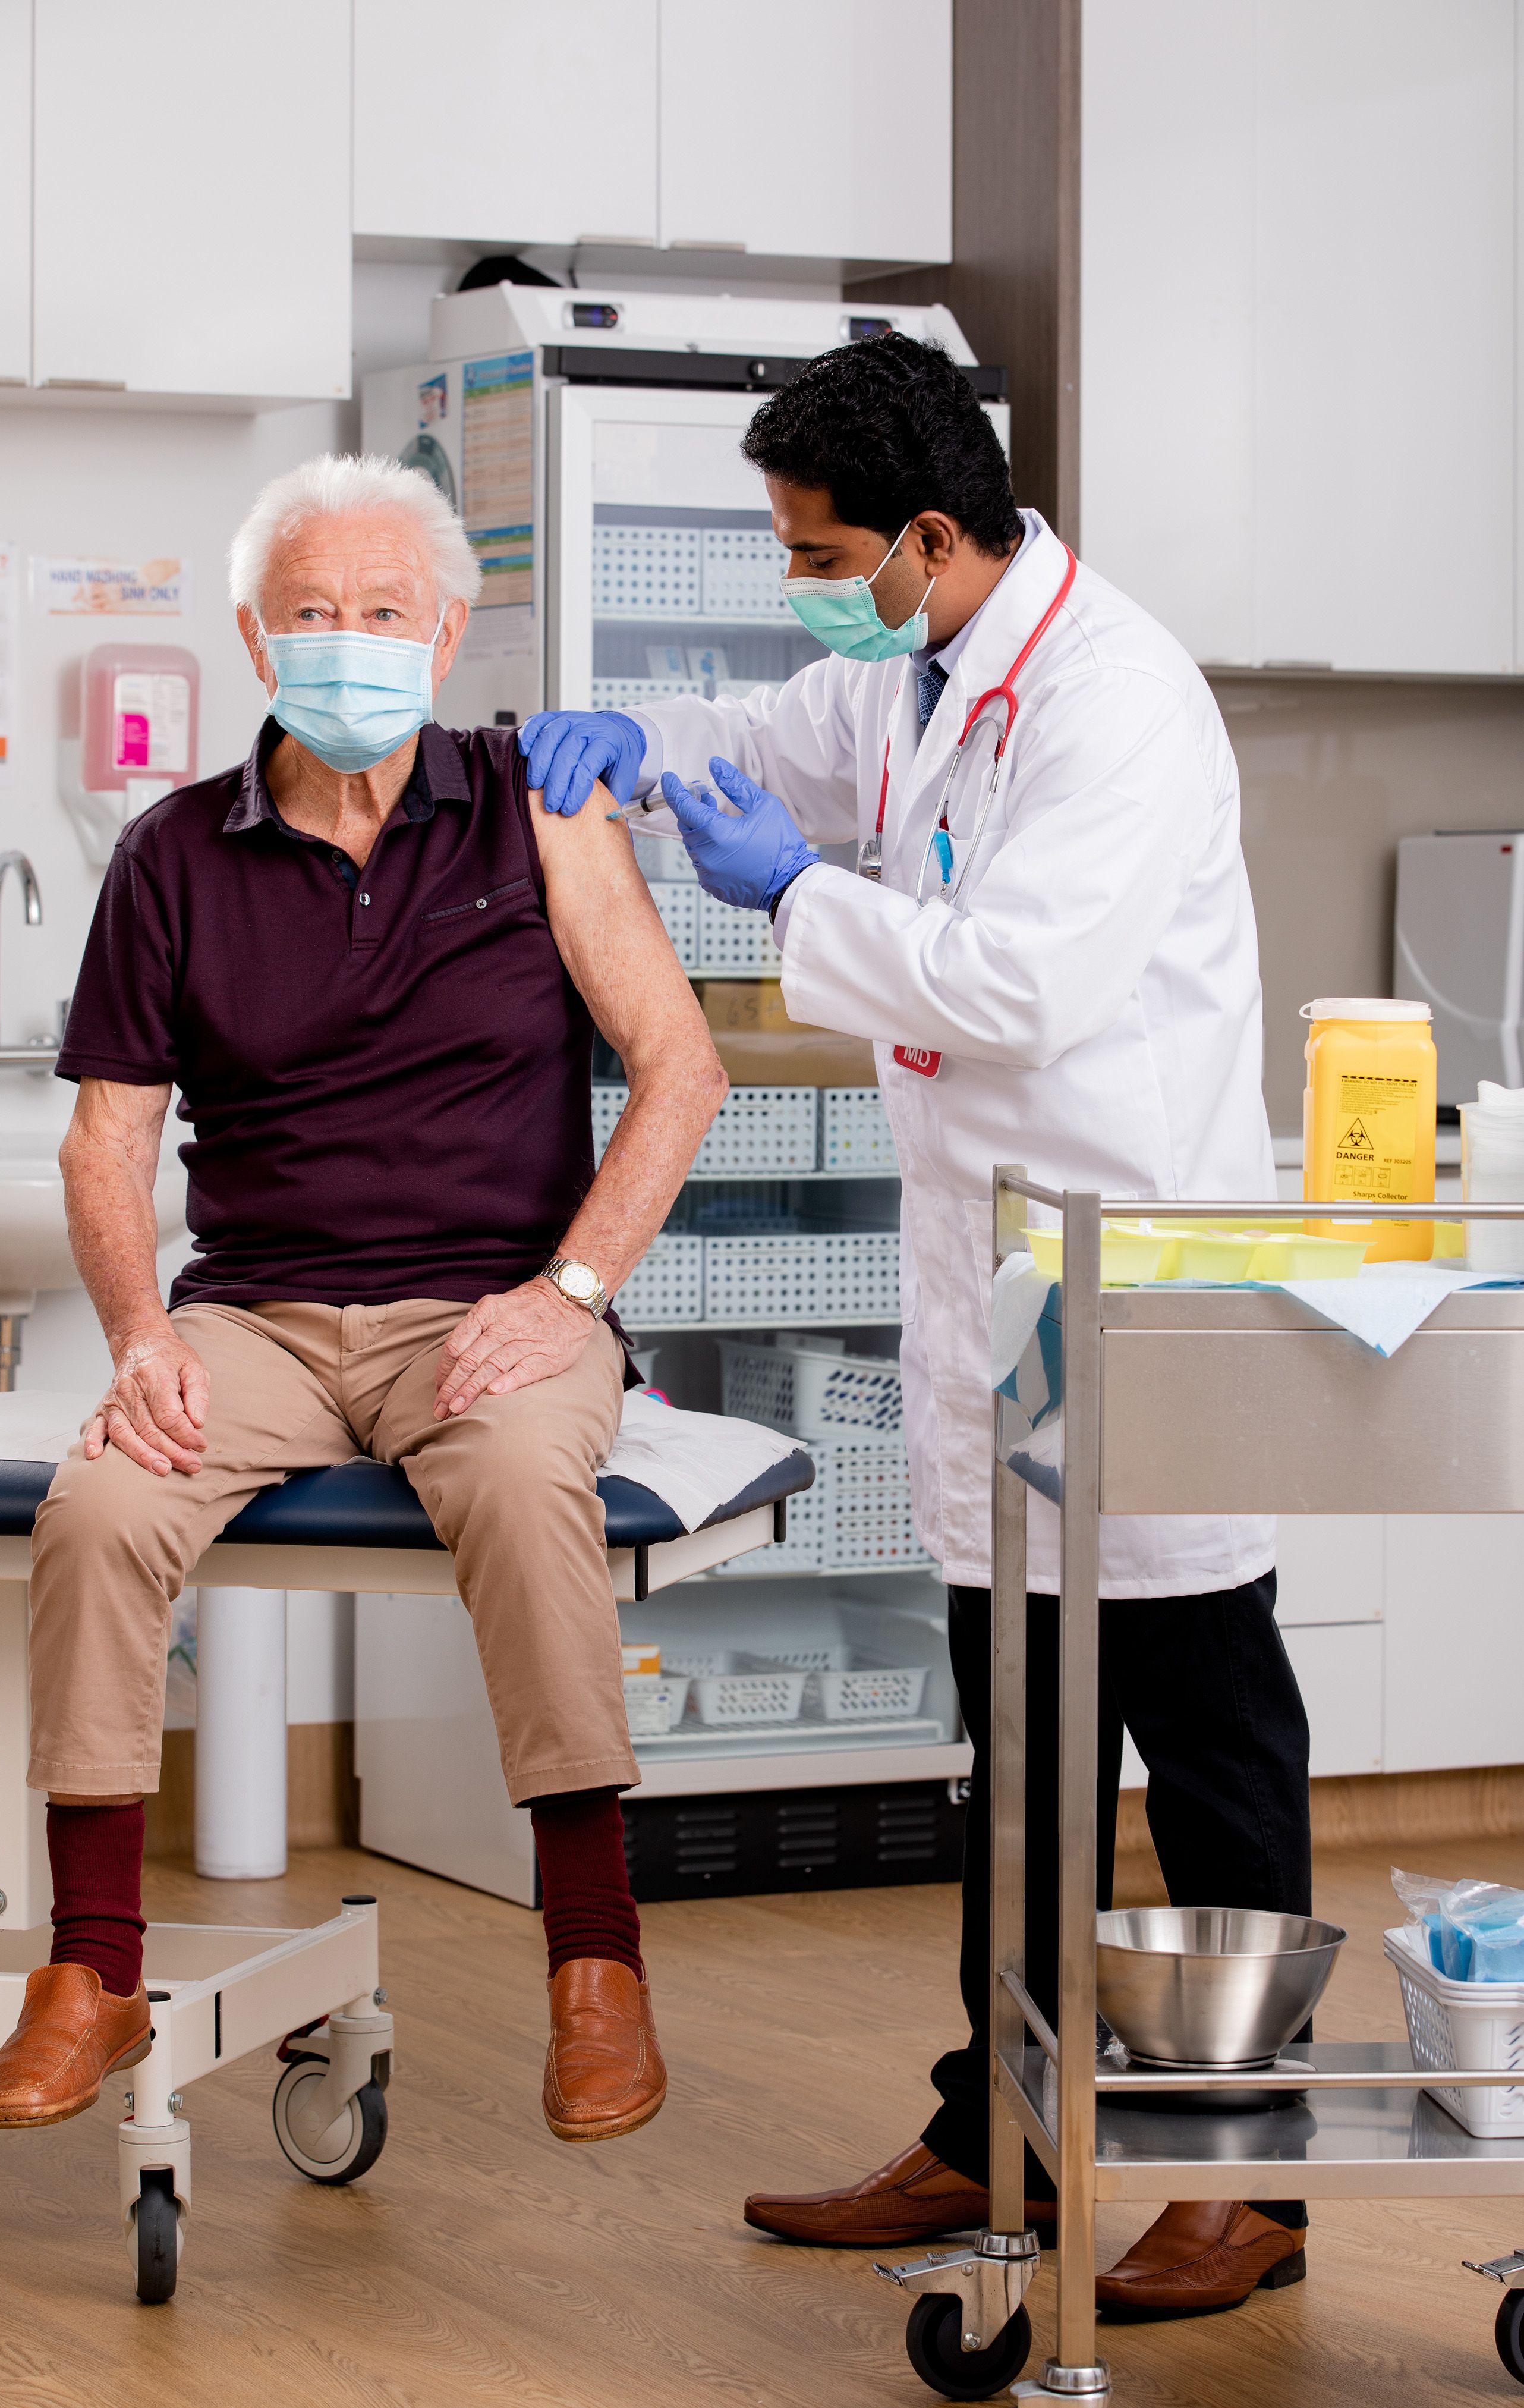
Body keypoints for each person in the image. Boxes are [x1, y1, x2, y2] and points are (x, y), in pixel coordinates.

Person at [519, 335, 1314, 2318]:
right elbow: (772, 721)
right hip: (998, 1279)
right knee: (1014, 1745)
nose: (801, 574)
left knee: (1203, 1734)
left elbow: (1019, 982)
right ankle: (1000, 2127)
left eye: (816, 547)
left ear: (932, 534)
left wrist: (791, 896)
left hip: (1135, 1266)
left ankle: (1245, 2170)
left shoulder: (1114, 696)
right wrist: (635, 730)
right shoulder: (920, 656)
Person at [0, 452, 727, 2149]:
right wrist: (144, 1340)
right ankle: (89, 1969)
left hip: (490, 1307)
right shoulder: (174, 853)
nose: (347, 641)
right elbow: (108, 1142)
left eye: (383, 611)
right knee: (100, 1499)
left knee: (534, 1491)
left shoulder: (541, 806)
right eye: (311, 613)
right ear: (255, 639)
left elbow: (680, 1070)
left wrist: (571, 1292)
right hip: (256, 1316)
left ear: (447, 629)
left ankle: (593, 1965)